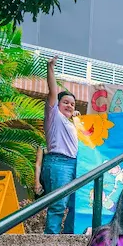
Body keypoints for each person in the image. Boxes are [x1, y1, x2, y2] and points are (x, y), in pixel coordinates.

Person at [42, 57, 79, 234]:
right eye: (65, 102)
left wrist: (76, 117)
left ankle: (69, 237)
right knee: (58, 205)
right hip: (58, 162)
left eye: (72, 104)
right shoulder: (53, 116)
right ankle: (50, 240)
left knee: (75, 203)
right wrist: (50, 68)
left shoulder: (72, 123)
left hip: (75, 164)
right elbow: (52, 91)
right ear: (57, 104)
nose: (69, 106)